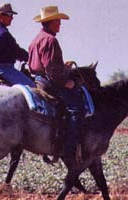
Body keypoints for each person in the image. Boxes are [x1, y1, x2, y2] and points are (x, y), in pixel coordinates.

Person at [28, 6, 86, 160]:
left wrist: (62, 67)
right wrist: (68, 83)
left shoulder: (36, 39)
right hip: (50, 83)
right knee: (77, 107)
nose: (60, 24)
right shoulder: (50, 40)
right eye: (58, 21)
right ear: (51, 22)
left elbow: (40, 65)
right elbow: (52, 71)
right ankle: (70, 148)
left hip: (38, 80)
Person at [0, 3, 35, 87]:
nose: (12, 18)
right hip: (4, 69)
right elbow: (15, 51)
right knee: (32, 87)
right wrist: (29, 57)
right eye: (9, 15)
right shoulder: (3, 33)